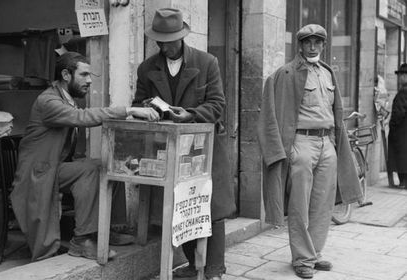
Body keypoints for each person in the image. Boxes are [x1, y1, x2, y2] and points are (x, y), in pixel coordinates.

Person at [10, 51, 159, 261]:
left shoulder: (66, 98)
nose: (89, 81)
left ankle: (106, 229)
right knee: (92, 170)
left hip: (55, 167)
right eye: (84, 75)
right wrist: (128, 110)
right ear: (66, 75)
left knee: (109, 165)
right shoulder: (48, 101)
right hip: (39, 173)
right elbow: (81, 117)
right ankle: (81, 241)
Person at [133, 8, 236, 280]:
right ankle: (193, 264)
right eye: (159, 41)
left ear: (181, 38)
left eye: (168, 40)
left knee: (210, 207)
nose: (163, 46)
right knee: (183, 206)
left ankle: (214, 269)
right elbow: (136, 104)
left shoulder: (207, 62)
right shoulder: (146, 68)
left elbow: (217, 105)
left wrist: (191, 114)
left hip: (205, 147)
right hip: (168, 147)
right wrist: (146, 108)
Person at [256, 24, 362, 279]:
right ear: (300, 45)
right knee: (299, 204)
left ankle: (313, 253)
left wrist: (335, 145)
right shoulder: (285, 73)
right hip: (301, 144)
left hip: (328, 144)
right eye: (307, 42)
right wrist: (285, 149)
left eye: (318, 42)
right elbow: (270, 114)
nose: (313, 46)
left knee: (323, 204)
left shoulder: (328, 73)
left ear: (324, 45)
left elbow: (335, 111)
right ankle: (302, 258)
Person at [388, 63, 407, 189]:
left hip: (401, 132)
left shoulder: (403, 93)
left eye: (401, 75)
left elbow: (398, 114)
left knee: (401, 156)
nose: (399, 78)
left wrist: (392, 124)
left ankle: (403, 182)